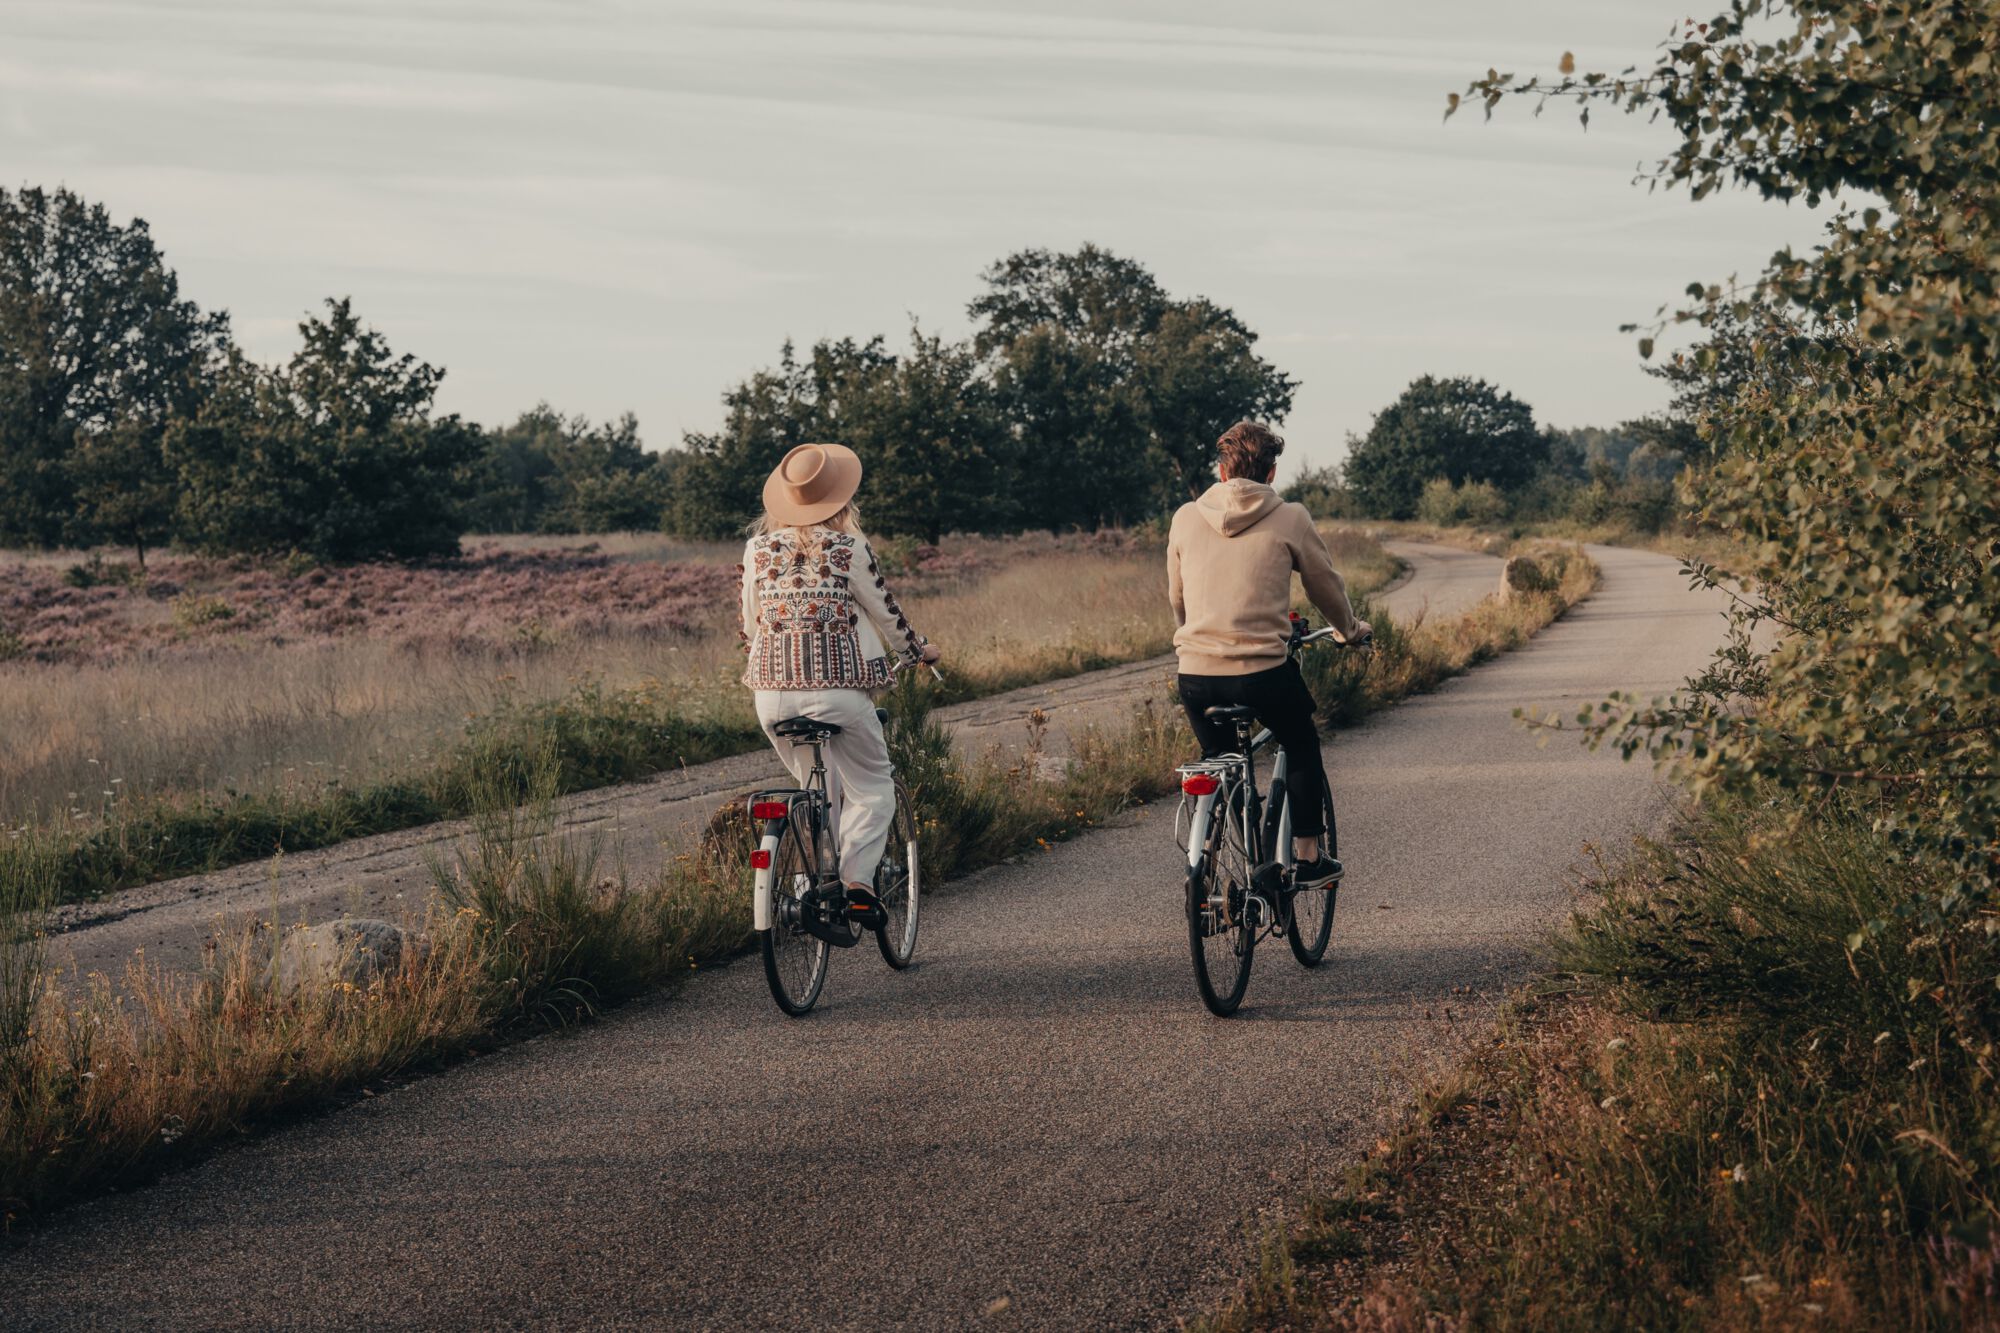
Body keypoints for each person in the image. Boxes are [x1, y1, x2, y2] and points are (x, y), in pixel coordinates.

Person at [1167, 420, 1370, 890]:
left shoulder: (1184, 517)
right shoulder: (1290, 516)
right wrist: (1349, 630)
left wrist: (1197, 639)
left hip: (1195, 674)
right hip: (1263, 674)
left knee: (1218, 757)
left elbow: (1178, 599)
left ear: (1221, 471)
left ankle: (1213, 853)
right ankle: (1307, 858)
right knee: (1300, 742)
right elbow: (1325, 586)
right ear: (1272, 472)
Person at [740, 442, 942, 901]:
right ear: (841, 500)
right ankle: (855, 882)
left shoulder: (758, 549)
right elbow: (886, 611)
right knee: (873, 787)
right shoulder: (849, 547)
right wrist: (916, 652)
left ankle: (811, 876)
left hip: (771, 695)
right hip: (838, 693)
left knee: (815, 786)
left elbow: (750, 624)